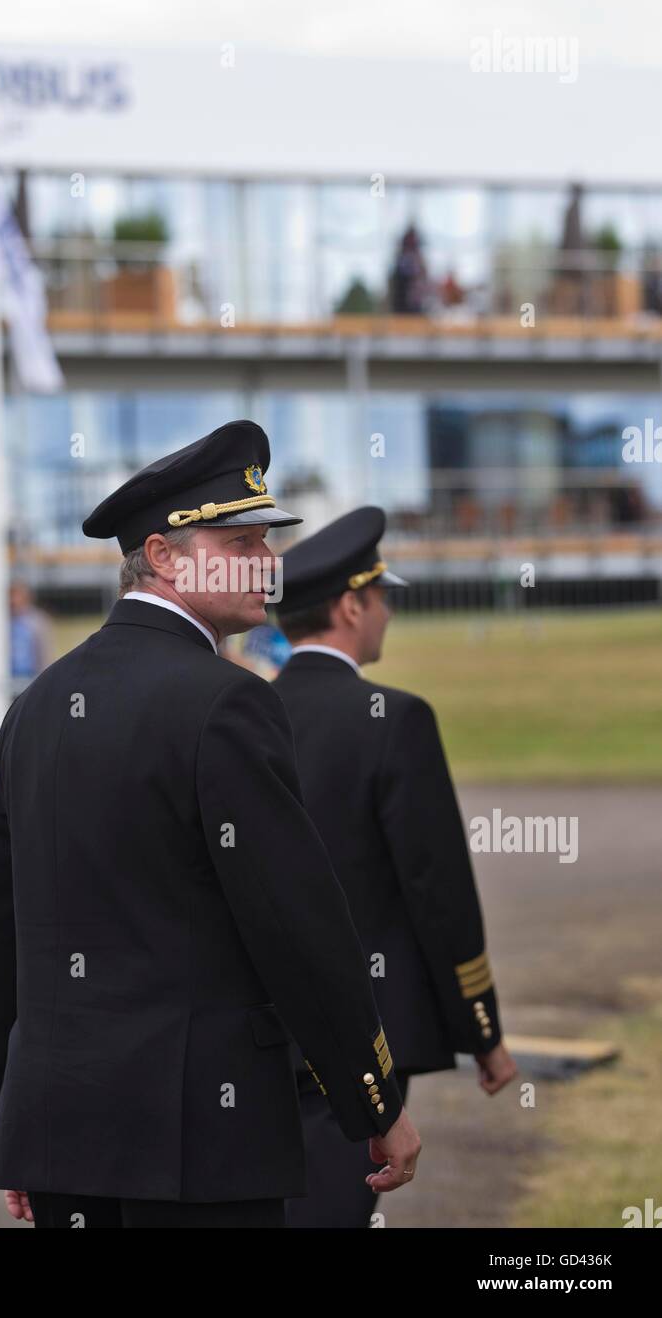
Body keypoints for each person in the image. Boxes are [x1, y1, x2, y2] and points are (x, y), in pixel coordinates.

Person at [0, 423, 421, 1229]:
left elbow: (5, 936)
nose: (268, 563)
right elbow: (297, 924)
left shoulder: (35, 707)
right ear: (165, 555)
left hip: (61, 1135)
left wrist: (15, 1121)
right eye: (242, 542)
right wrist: (375, 1099)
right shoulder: (227, 701)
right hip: (196, 1145)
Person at [273, 506, 516, 1229]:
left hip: (255, 1029)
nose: (387, 613)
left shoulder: (244, 712)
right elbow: (437, 890)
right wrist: (482, 1029)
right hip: (364, 1035)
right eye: (382, 596)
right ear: (352, 606)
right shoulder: (397, 719)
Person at [8, 581, 53, 680]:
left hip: (31, 675)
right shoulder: (2, 621)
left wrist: (45, 676)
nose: (13, 600)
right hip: (8, 676)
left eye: (16, 596)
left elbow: (44, 651)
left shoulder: (37, 620)